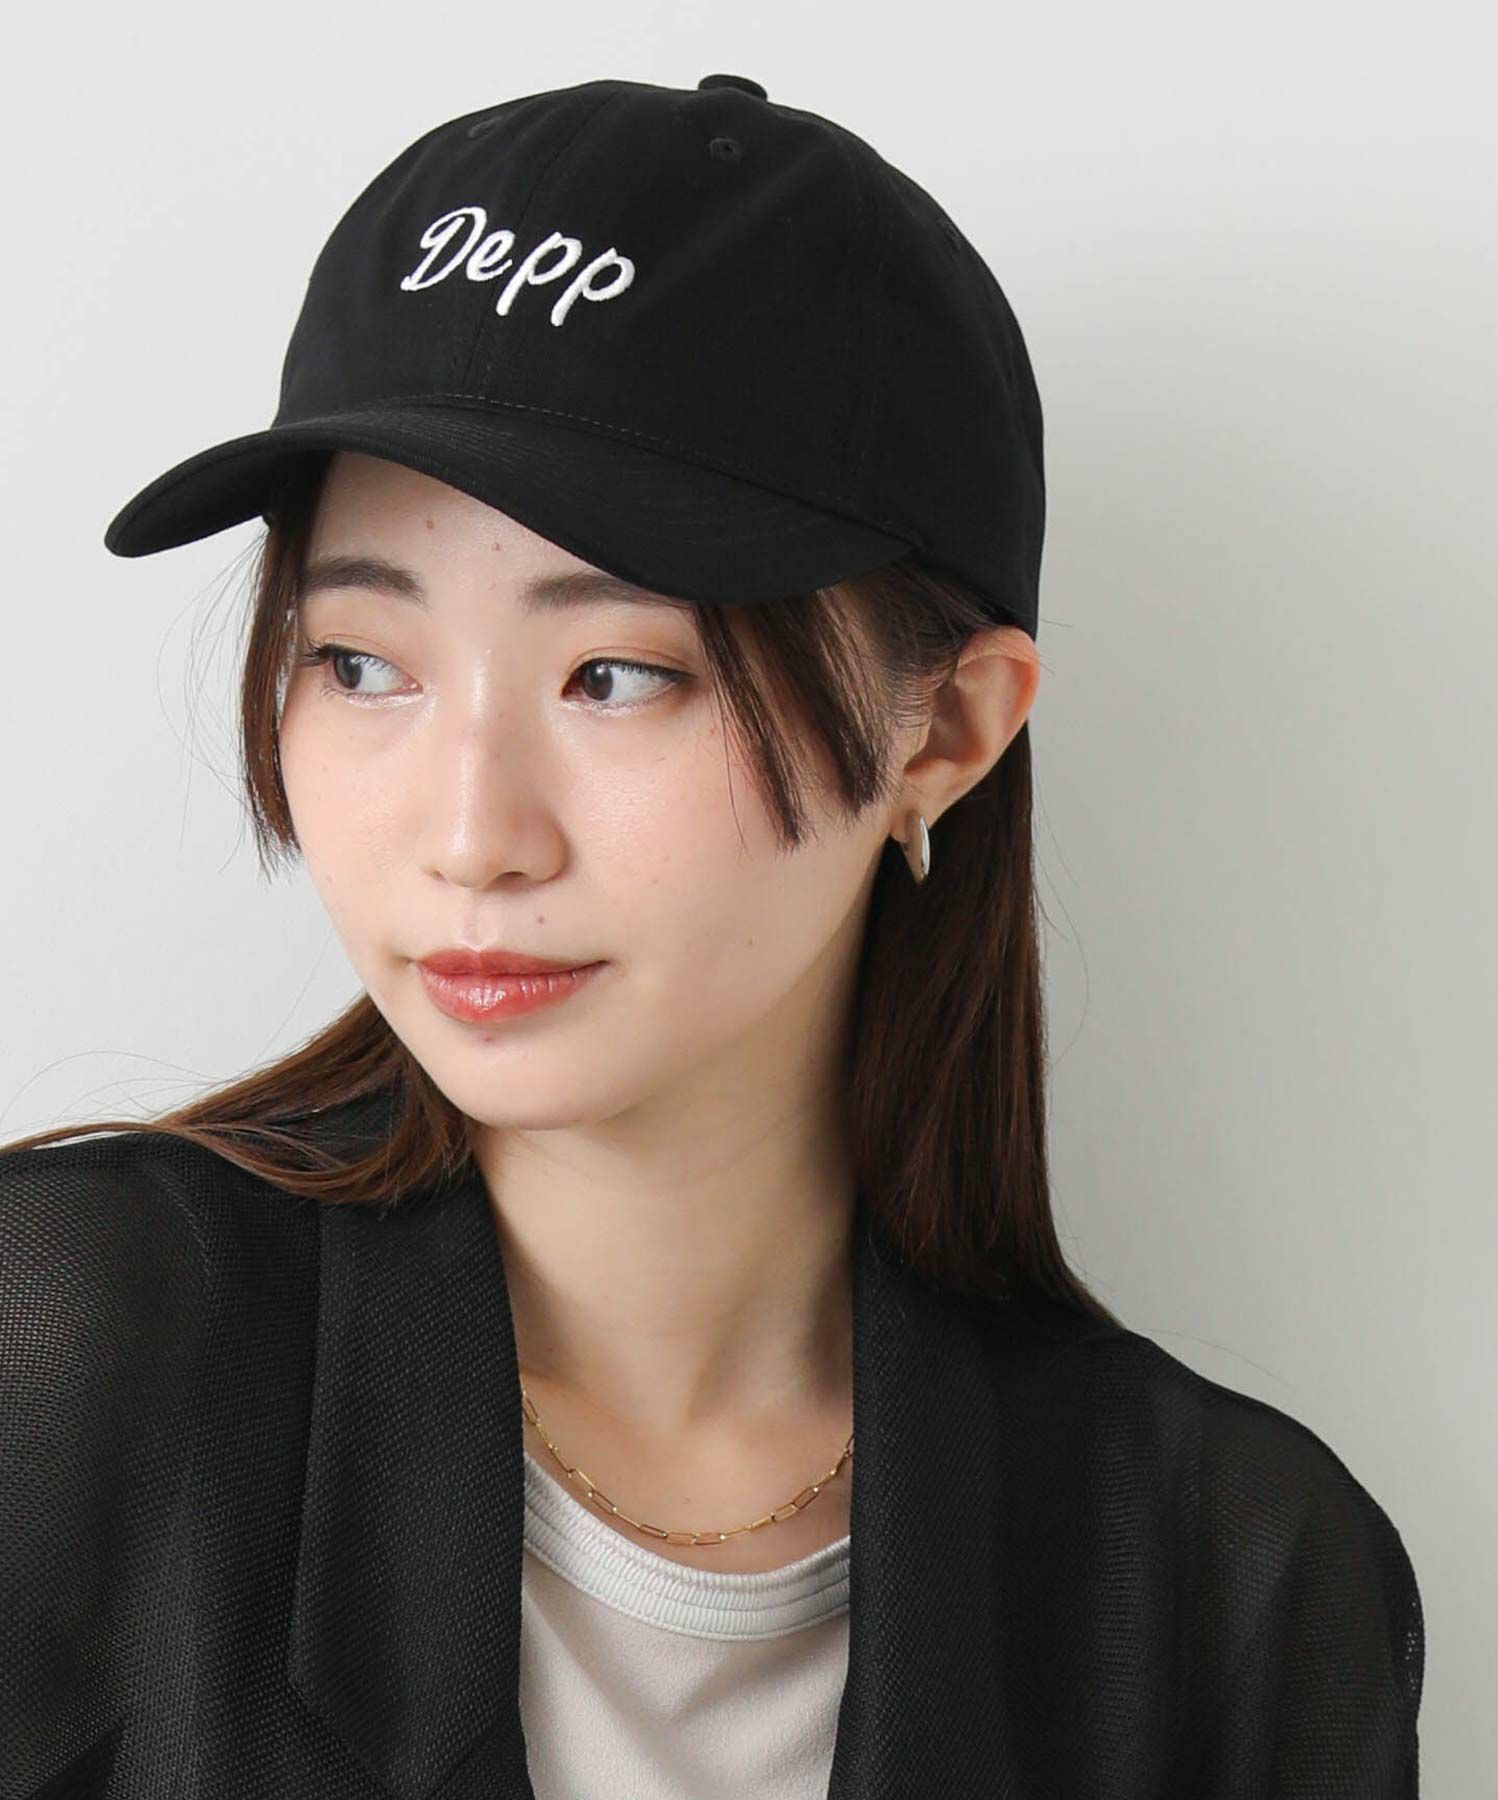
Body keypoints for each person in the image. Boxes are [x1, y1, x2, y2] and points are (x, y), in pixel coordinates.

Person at [0, 74, 1423, 1800]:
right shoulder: (72, 1363)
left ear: (947, 730)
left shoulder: (1227, 1583)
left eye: (617, 676)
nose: (470, 834)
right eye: (363, 662)